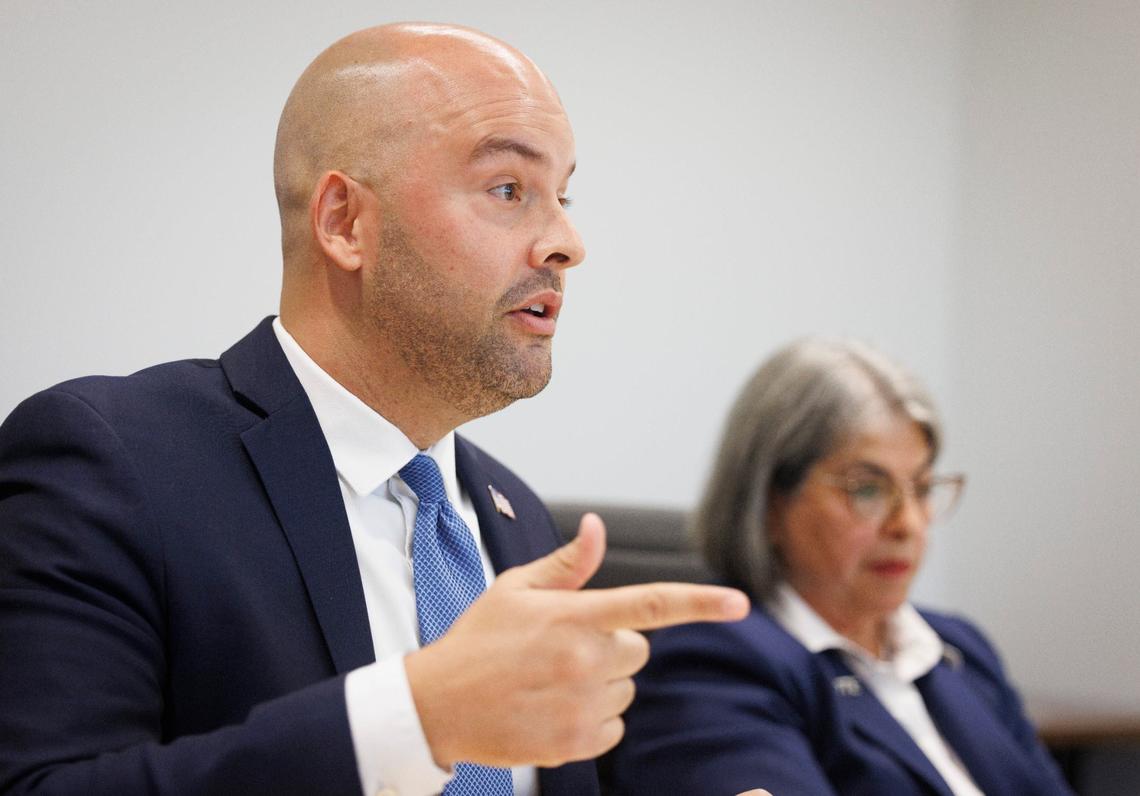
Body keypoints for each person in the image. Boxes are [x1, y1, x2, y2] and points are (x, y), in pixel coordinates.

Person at [0, 23, 749, 796]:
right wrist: (415, 720)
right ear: (344, 223)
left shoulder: (516, 516)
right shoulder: (115, 461)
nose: (567, 242)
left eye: (563, 197)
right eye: (509, 190)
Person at [611, 338, 1073, 795]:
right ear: (770, 502)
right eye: (868, 490)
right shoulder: (712, 661)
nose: (907, 524)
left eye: (922, 488)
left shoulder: (960, 649)